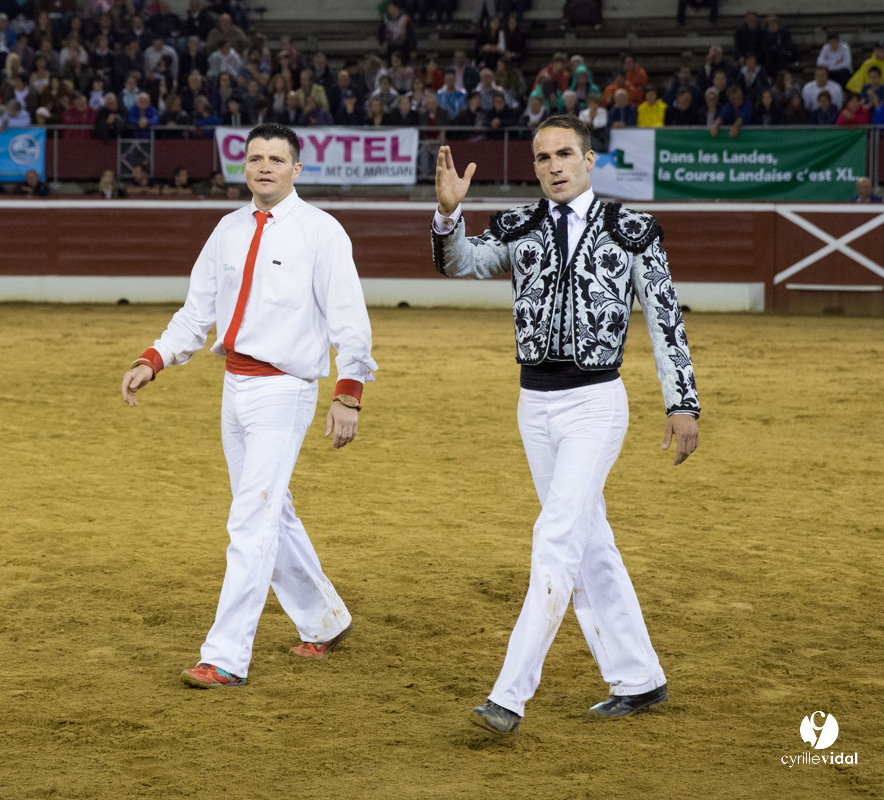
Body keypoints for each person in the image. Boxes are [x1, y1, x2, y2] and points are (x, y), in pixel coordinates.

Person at [430, 114, 699, 733]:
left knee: (555, 536)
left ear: (589, 160)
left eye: (564, 154)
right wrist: (448, 218)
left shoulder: (633, 230)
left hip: (595, 404)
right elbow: (461, 264)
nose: (553, 165)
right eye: (542, 157)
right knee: (588, 540)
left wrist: (681, 400)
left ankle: (509, 694)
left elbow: (665, 318)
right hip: (535, 404)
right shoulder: (520, 224)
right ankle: (639, 678)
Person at [120, 123, 376, 690]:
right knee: (269, 510)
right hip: (234, 386)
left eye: (277, 159)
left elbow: (349, 321)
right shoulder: (228, 229)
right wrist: (154, 359)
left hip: (285, 391)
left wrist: (348, 392)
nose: (265, 167)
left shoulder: (322, 232)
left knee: (251, 519)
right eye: (255, 158)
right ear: (244, 166)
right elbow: (196, 312)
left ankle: (227, 655)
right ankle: (325, 618)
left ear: (297, 169)